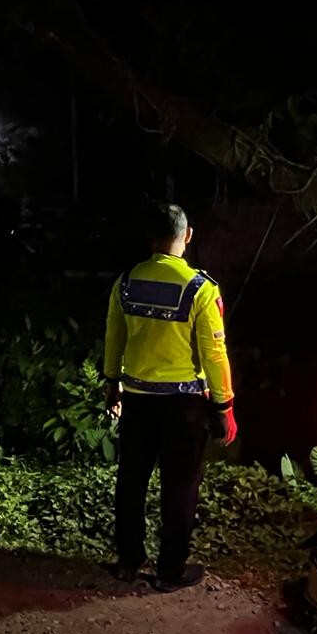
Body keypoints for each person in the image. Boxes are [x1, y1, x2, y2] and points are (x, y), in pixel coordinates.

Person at [103, 202, 237, 591]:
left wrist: (112, 383)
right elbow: (214, 353)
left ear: (150, 237)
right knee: (179, 488)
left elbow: (115, 339)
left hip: (138, 401)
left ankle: (129, 561)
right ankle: (169, 571)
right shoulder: (200, 288)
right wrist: (224, 406)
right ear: (187, 235)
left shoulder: (125, 282)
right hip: (185, 408)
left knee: (131, 481)